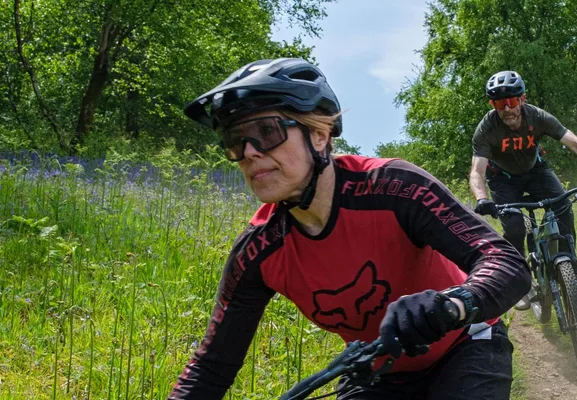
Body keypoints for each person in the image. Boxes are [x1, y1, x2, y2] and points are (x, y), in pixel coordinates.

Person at [169, 58, 529, 399]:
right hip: (378, 368)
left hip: (465, 343)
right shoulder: (259, 250)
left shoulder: (393, 187)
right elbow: (212, 366)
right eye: (235, 141)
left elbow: (506, 263)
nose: (249, 152)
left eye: (267, 131)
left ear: (321, 135)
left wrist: (451, 304)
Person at [468, 70, 577, 311]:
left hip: (536, 172)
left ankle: (571, 269)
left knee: (564, 208)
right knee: (514, 229)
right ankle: (520, 284)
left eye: (512, 101)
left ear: (522, 99)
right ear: (492, 104)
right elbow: (476, 171)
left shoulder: (537, 117)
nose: (507, 108)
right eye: (499, 103)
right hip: (502, 179)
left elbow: (576, 142)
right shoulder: (486, 129)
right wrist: (482, 198)